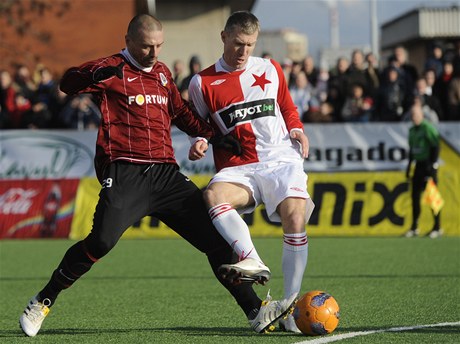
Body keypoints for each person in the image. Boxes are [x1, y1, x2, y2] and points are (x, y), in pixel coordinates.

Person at [18, 14, 297, 337]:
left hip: (165, 175)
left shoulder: (163, 74)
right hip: (125, 170)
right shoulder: (112, 69)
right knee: (102, 241)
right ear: (129, 42)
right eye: (147, 47)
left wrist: (212, 135)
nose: (154, 53)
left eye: (159, 46)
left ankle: (256, 311)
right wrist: (92, 72)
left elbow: (180, 112)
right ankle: (44, 299)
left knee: (216, 239)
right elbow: (67, 85)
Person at [187, 11, 314, 333]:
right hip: (239, 166)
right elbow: (197, 124)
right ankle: (251, 259)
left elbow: (286, 106)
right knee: (213, 194)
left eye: (250, 45)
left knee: (295, 217)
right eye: (238, 44)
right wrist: (200, 140)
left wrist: (297, 129)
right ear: (224, 37)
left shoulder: (270, 68)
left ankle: (290, 304)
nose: (244, 51)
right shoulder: (202, 82)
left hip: (280, 159)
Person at [405, 102, 442, 238]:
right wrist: (409, 167)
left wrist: (433, 165)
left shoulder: (427, 128)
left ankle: (437, 227)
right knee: (415, 197)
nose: (413, 117)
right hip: (418, 166)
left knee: (432, 197)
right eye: (412, 115)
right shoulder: (412, 131)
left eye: (416, 114)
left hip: (428, 165)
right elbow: (411, 151)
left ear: (421, 115)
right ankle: (414, 227)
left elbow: (436, 145)